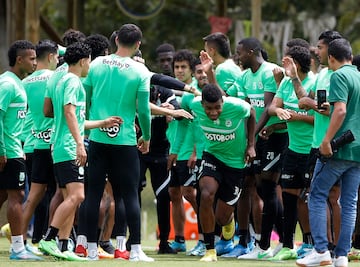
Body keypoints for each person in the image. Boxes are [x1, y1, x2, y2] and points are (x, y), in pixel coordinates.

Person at [38, 42, 122, 261]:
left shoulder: (62, 80)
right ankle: (49, 238)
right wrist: (78, 144)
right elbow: (69, 114)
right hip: (67, 148)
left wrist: (102, 122)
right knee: (78, 196)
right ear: (85, 61)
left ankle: (64, 248)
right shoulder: (74, 82)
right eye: (90, 61)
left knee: (70, 198)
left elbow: (75, 119)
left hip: (59, 146)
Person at [77, 24, 154, 262]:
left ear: (117, 38)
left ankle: (90, 249)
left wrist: (93, 126)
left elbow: (85, 101)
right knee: (129, 195)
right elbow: (143, 110)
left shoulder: (96, 64)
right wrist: (147, 137)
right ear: (138, 44)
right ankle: (136, 250)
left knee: (93, 195)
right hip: (125, 140)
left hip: (98, 138)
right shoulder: (141, 72)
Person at [296, 38, 360, 267]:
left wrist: (326, 140)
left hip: (339, 148)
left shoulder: (339, 76)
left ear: (332, 58)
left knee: (316, 195)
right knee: (349, 202)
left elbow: (340, 111)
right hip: (357, 150)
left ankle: (321, 250)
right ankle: (342, 256)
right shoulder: (359, 76)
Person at [232, 37, 287, 260]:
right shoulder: (245, 76)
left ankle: (270, 244)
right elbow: (245, 108)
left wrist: (252, 136)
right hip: (256, 138)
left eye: (240, 52)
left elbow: (267, 108)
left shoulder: (269, 71)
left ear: (252, 52)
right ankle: (267, 242)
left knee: (267, 188)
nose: (238, 56)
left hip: (274, 137)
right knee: (255, 186)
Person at [290, 31, 343, 259]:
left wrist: (310, 103)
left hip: (330, 142)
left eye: (320, 47)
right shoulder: (321, 74)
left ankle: (331, 248)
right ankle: (326, 249)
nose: (316, 51)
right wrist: (294, 78)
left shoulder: (337, 76)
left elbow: (330, 108)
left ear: (331, 49)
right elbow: (306, 98)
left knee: (329, 197)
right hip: (317, 143)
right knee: (317, 195)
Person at [190, 83, 256, 261]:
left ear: (223, 102)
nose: (213, 112)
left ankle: (228, 227)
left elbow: (252, 114)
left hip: (235, 164)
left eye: (217, 107)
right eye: (209, 108)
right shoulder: (194, 104)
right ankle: (210, 249)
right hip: (212, 156)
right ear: (202, 104)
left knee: (222, 217)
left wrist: (251, 145)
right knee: (206, 194)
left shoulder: (236, 106)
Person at [267, 45, 315, 261]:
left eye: (289, 63)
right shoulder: (286, 83)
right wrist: (279, 111)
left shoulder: (314, 82)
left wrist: (297, 117)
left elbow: (320, 117)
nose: (285, 67)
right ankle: (288, 244)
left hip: (311, 150)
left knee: (309, 199)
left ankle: (311, 244)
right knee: (288, 196)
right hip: (292, 149)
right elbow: (271, 108)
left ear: (299, 64)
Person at [0, 40, 39, 260]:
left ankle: (19, 246)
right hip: (9, 151)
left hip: (14, 148)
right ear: (19, 59)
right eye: (32, 58)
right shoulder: (8, 84)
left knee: (4, 194)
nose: (35, 62)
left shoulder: (17, 83)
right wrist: (2, 150)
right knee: (18, 195)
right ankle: (17, 248)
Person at [21, 40, 59, 252]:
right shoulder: (56, 79)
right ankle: (49, 240)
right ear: (53, 56)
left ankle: (24, 242)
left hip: (33, 144)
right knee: (58, 194)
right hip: (54, 143)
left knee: (35, 195)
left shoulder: (26, 82)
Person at [167, 49, 200, 253]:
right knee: (174, 193)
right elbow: (182, 125)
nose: (179, 71)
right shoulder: (179, 92)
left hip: (190, 152)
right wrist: (174, 150)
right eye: (176, 67)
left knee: (190, 194)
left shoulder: (194, 92)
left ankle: (209, 237)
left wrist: (196, 152)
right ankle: (179, 239)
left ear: (191, 70)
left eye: (183, 67)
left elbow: (198, 125)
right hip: (178, 149)